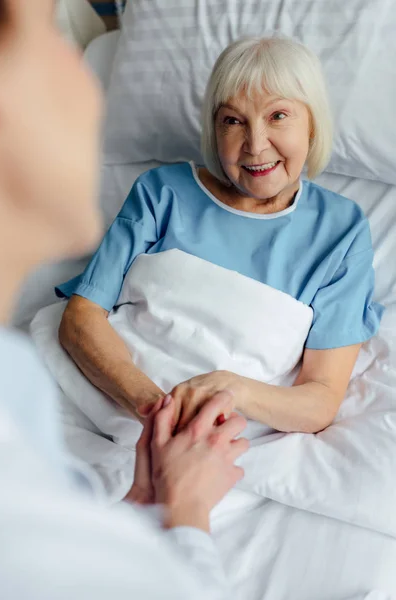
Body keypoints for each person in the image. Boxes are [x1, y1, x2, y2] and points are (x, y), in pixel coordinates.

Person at [0, 1, 249, 598]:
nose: (89, 81)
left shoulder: (14, 385)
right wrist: (187, 514)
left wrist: (142, 504)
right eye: (55, 37)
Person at [57, 36, 383, 435]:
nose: (256, 145)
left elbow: (320, 398)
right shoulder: (162, 192)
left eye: (278, 116)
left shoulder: (341, 230)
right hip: (116, 409)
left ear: (313, 122)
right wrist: (156, 410)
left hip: (218, 438)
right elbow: (81, 317)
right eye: (233, 120)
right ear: (214, 129)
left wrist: (232, 389)